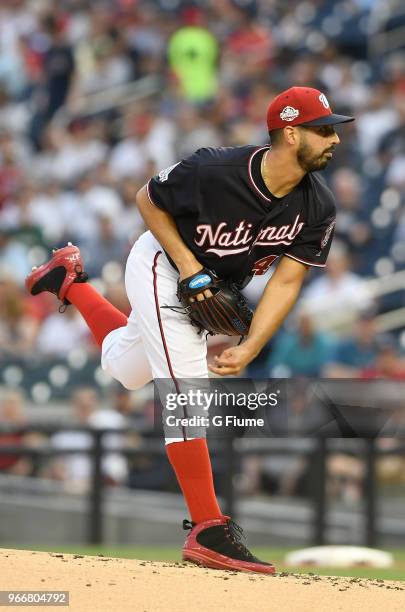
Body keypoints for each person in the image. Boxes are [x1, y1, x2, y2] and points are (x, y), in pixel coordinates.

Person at [26, 86, 354, 574]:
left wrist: (250, 346)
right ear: (289, 133)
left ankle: (71, 283)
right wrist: (187, 267)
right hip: (161, 264)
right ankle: (208, 527)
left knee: (126, 369)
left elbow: (287, 281)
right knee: (185, 392)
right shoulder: (217, 169)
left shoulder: (317, 205)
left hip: (206, 290)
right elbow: (147, 198)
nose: (335, 140)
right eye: (324, 129)